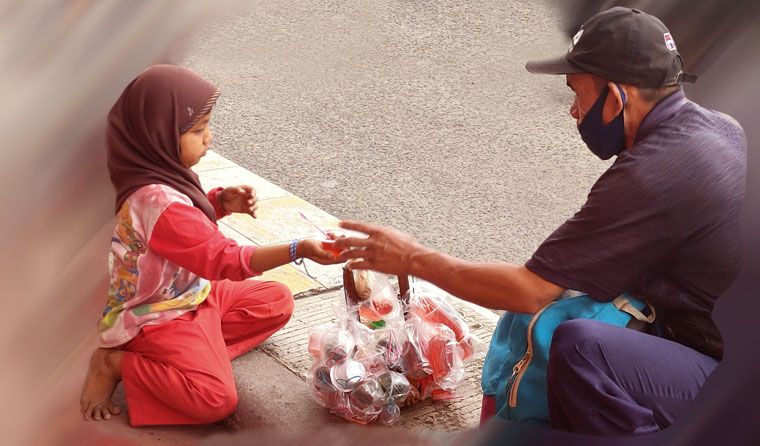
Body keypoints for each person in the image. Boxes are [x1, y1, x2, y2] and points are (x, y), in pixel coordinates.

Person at [333, 7, 746, 435]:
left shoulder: (651, 175)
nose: (573, 111)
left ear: (618, 97)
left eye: (578, 93)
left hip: (721, 367)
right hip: (712, 327)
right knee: (563, 301)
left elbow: (530, 290)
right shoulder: (720, 128)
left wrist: (413, 258)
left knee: (580, 348)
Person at [79, 65, 342, 425]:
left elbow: (185, 236)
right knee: (215, 399)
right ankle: (116, 363)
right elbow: (224, 261)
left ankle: (196, 357)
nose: (209, 138)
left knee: (276, 300)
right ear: (159, 136)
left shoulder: (159, 176)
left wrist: (219, 202)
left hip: (193, 293)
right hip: (159, 314)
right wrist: (299, 249)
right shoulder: (159, 203)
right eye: (198, 130)